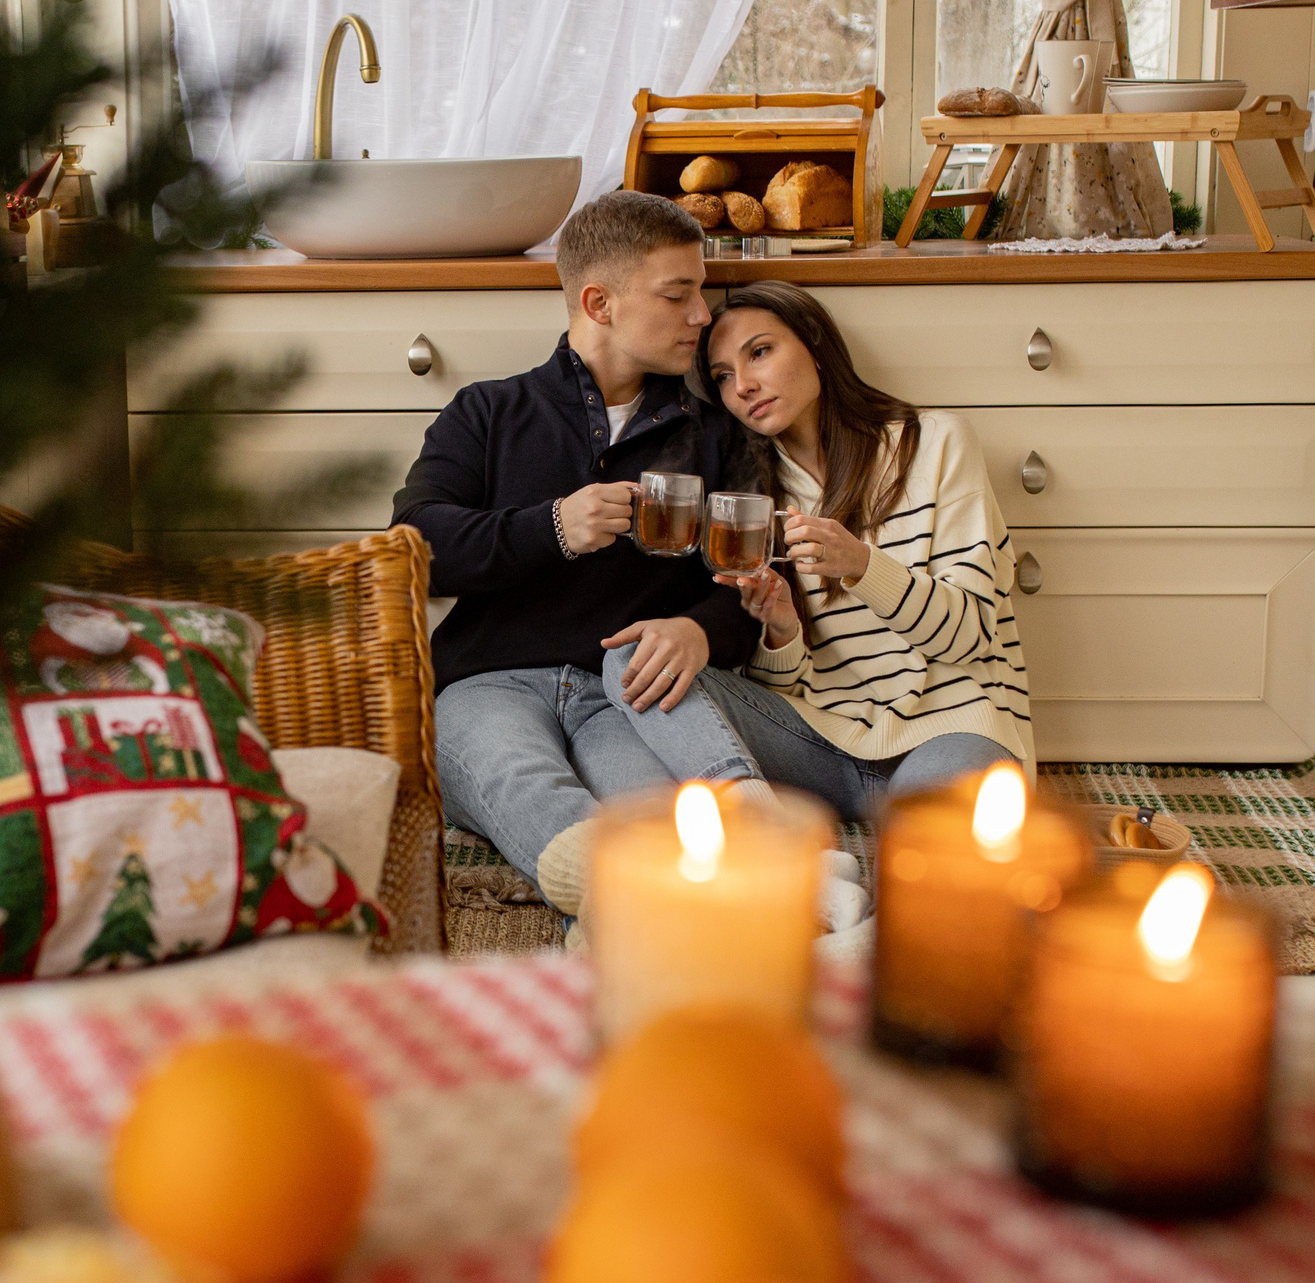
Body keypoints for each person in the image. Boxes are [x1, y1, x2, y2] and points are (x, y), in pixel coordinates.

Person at [391, 191, 757, 916]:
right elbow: (416, 546)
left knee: (655, 819)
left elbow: (749, 588)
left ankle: (638, 929)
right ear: (600, 301)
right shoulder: (488, 411)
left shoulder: (716, 437)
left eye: (702, 293)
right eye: (678, 294)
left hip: (628, 695)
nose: (703, 316)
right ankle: (639, 919)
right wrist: (552, 527)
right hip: (487, 684)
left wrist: (700, 629)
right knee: (526, 786)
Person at [608, 280, 1030, 818]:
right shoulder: (749, 495)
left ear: (814, 343)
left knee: (926, 879)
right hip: (819, 747)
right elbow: (785, 683)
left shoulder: (936, 443)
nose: (743, 386)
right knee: (631, 659)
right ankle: (764, 825)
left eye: (759, 352)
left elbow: (971, 637)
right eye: (723, 377)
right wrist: (782, 631)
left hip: (950, 732)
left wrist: (861, 565)